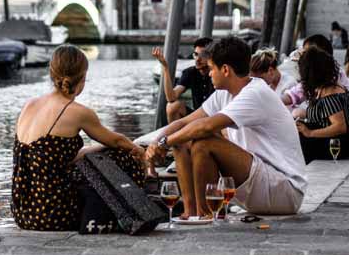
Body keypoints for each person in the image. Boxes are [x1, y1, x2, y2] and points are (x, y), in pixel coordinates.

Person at [145, 37, 307, 217]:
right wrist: (156, 142)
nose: (209, 74)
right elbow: (183, 123)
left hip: (285, 191)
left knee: (203, 142)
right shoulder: (223, 94)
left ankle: (204, 215)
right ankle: (190, 212)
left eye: (212, 68)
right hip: (261, 182)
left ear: (225, 70)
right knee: (182, 137)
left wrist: (164, 144)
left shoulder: (255, 93)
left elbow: (205, 127)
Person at [12, 44, 146, 231]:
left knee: (99, 155)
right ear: (82, 78)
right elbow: (117, 141)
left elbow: (53, 158)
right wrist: (140, 152)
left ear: (52, 73)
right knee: (125, 155)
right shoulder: (77, 112)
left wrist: (99, 148)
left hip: (24, 213)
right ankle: (128, 213)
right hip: (53, 214)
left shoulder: (30, 105)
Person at [295, 46, 349, 164]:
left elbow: (340, 126)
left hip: (334, 146)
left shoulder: (329, 93)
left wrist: (309, 133)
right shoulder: (331, 86)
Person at [283, 34, 349, 117]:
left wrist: (308, 127)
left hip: (336, 120)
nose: (302, 57)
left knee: (297, 113)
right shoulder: (319, 74)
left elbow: (338, 124)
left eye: (306, 53)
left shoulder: (331, 79)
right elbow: (295, 93)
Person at [152, 37, 214, 123]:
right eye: (195, 54)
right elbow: (171, 97)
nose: (197, 59)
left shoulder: (218, 73)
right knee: (172, 106)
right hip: (197, 117)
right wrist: (165, 67)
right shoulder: (190, 72)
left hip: (216, 119)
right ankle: (175, 135)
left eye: (202, 55)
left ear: (211, 56)